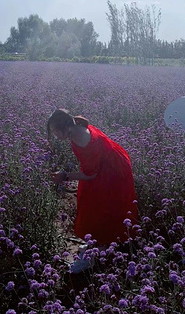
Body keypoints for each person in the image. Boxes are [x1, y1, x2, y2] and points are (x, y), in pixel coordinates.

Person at [47, 109, 138, 272]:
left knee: (98, 208)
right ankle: (98, 243)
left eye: (55, 131)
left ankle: (97, 250)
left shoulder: (81, 138)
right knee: (94, 205)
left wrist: (64, 176)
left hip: (113, 172)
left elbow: (90, 175)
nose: (55, 135)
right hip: (109, 165)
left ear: (65, 127)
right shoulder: (76, 127)